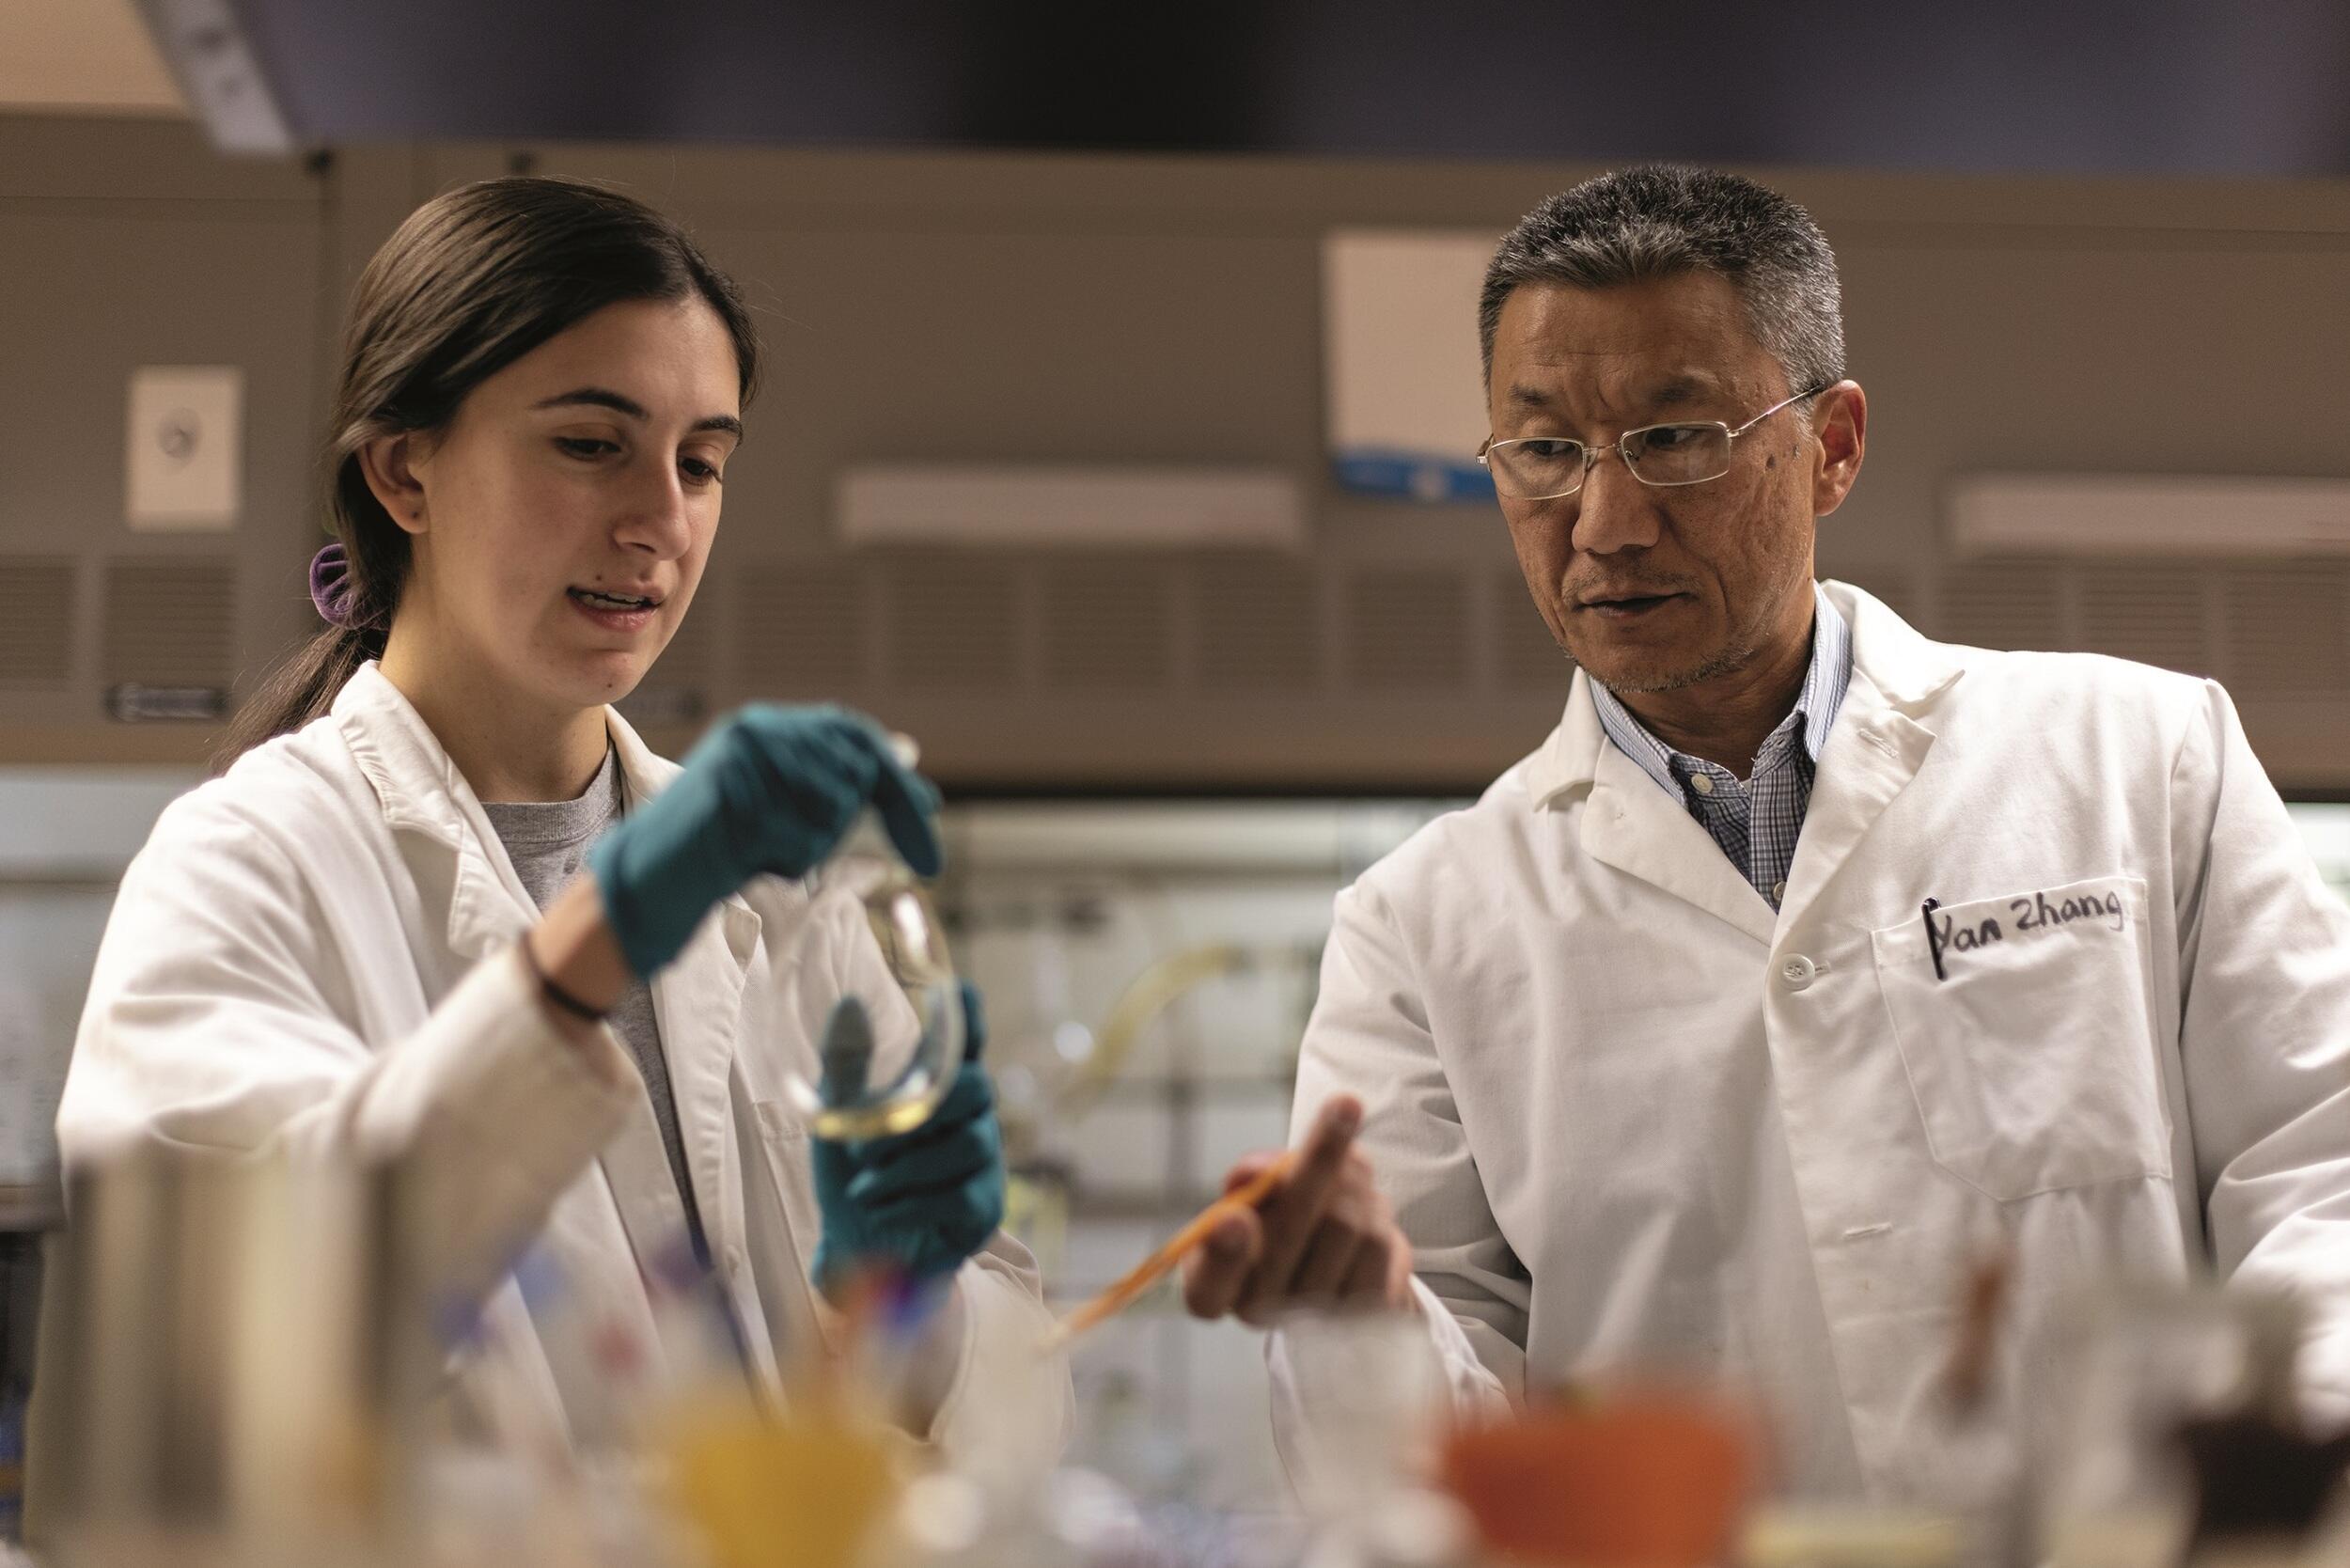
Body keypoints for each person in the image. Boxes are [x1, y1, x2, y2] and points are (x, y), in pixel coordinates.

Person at [1183, 165, 2350, 1505]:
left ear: (1834, 445)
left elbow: (2324, 1179)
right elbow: (1437, 1467)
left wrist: (2266, 1513)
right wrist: (1361, 1314)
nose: (1607, 526)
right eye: (1547, 452)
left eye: (1678, 440)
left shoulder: (2145, 760)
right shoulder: (1422, 930)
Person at [51, 177, 1069, 1461]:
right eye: (592, 444)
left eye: (701, 461)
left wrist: (901, 1308)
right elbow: (222, 1348)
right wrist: (600, 941)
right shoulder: (250, 866)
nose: (661, 519)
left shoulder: (774, 889)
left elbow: (1021, 1401)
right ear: (404, 469)